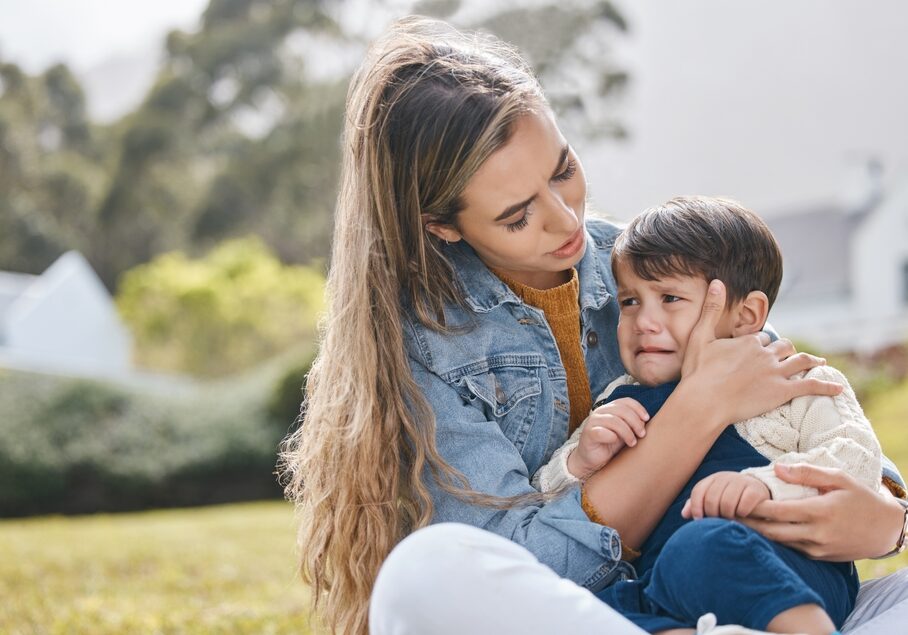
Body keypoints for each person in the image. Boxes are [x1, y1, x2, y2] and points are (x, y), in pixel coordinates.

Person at [278, 16, 908, 635]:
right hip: (588, 614)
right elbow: (523, 564)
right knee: (424, 573)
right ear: (442, 225)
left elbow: (802, 411)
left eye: (563, 170)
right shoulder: (426, 348)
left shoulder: (647, 263)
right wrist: (694, 410)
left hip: (750, 585)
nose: (565, 221)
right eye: (518, 216)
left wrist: (886, 520)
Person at [533, 196, 884, 634]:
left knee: (704, 544)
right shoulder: (620, 398)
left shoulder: (796, 383)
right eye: (629, 302)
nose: (644, 320)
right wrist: (578, 462)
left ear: (746, 315)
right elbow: (543, 503)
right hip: (669, 585)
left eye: (670, 298)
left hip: (786, 566)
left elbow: (856, 460)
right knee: (586, 609)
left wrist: (764, 487)